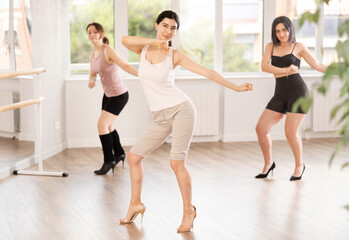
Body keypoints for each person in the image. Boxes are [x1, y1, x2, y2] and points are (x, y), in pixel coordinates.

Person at [119, 10, 253, 232]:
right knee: (133, 157)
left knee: (176, 163)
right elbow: (124, 40)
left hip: (181, 110)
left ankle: (188, 211)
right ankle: (135, 204)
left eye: (173, 28)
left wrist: (236, 87)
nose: (168, 31)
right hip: (159, 116)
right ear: (156, 26)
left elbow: (208, 72)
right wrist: (155, 42)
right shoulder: (142, 48)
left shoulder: (175, 55)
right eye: (164, 26)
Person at [255, 16, 327, 181]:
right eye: (278, 31)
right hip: (280, 94)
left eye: (284, 30)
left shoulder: (298, 46)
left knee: (290, 132)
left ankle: (299, 165)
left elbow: (318, 65)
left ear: (290, 29)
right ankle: (268, 163)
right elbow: (264, 66)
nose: (282, 34)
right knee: (261, 128)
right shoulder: (270, 46)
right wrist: (286, 70)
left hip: (298, 93)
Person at [86, 22, 138, 175]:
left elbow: (125, 66)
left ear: (101, 34)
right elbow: (92, 72)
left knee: (101, 126)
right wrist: (91, 80)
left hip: (119, 95)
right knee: (108, 127)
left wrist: (143, 75)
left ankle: (109, 160)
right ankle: (120, 153)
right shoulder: (92, 54)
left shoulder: (107, 50)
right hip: (108, 94)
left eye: (95, 32)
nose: (92, 35)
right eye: (89, 32)